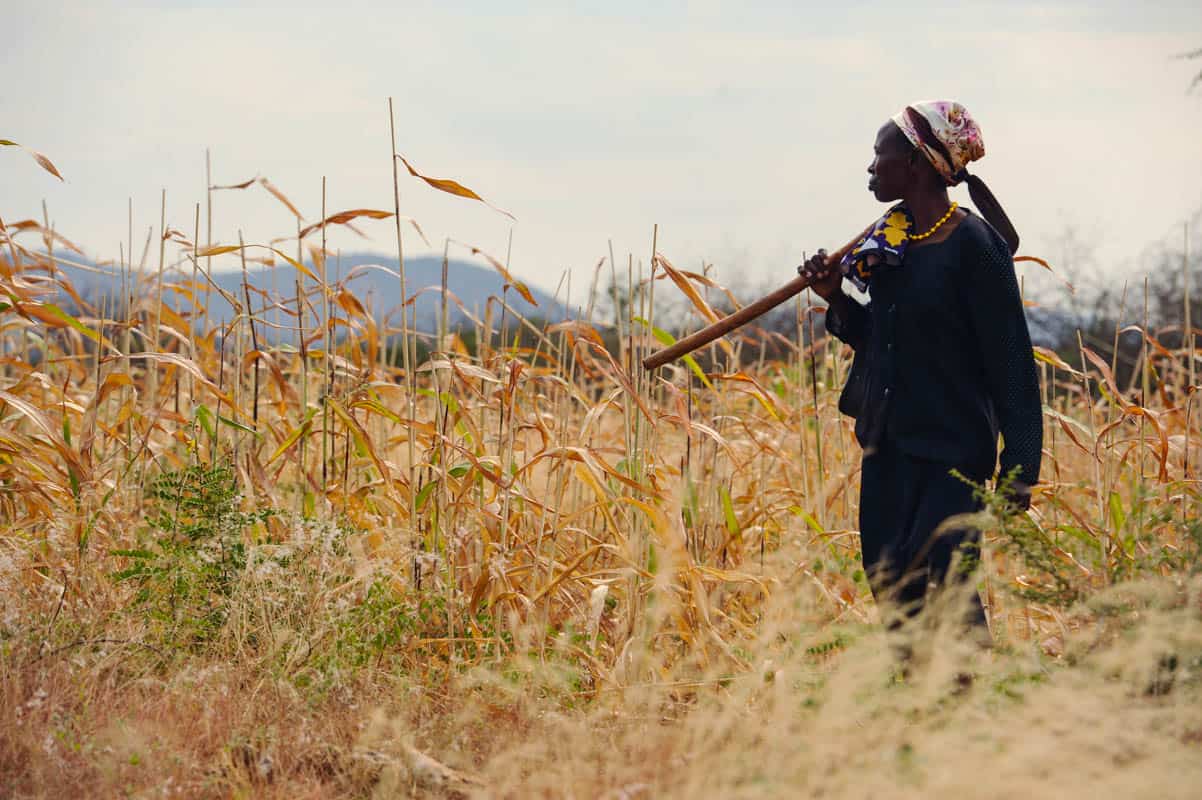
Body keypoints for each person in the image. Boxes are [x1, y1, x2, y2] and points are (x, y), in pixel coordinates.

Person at [799, 100, 1042, 639]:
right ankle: (917, 709)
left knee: (943, 578)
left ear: (915, 163)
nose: (870, 167)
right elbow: (877, 342)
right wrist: (834, 294)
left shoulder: (975, 247)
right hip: (888, 442)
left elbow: (1012, 360)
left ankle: (969, 705)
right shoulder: (889, 245)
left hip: (953, 449)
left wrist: (1021, 465)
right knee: (890, 580)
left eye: (878, 154)